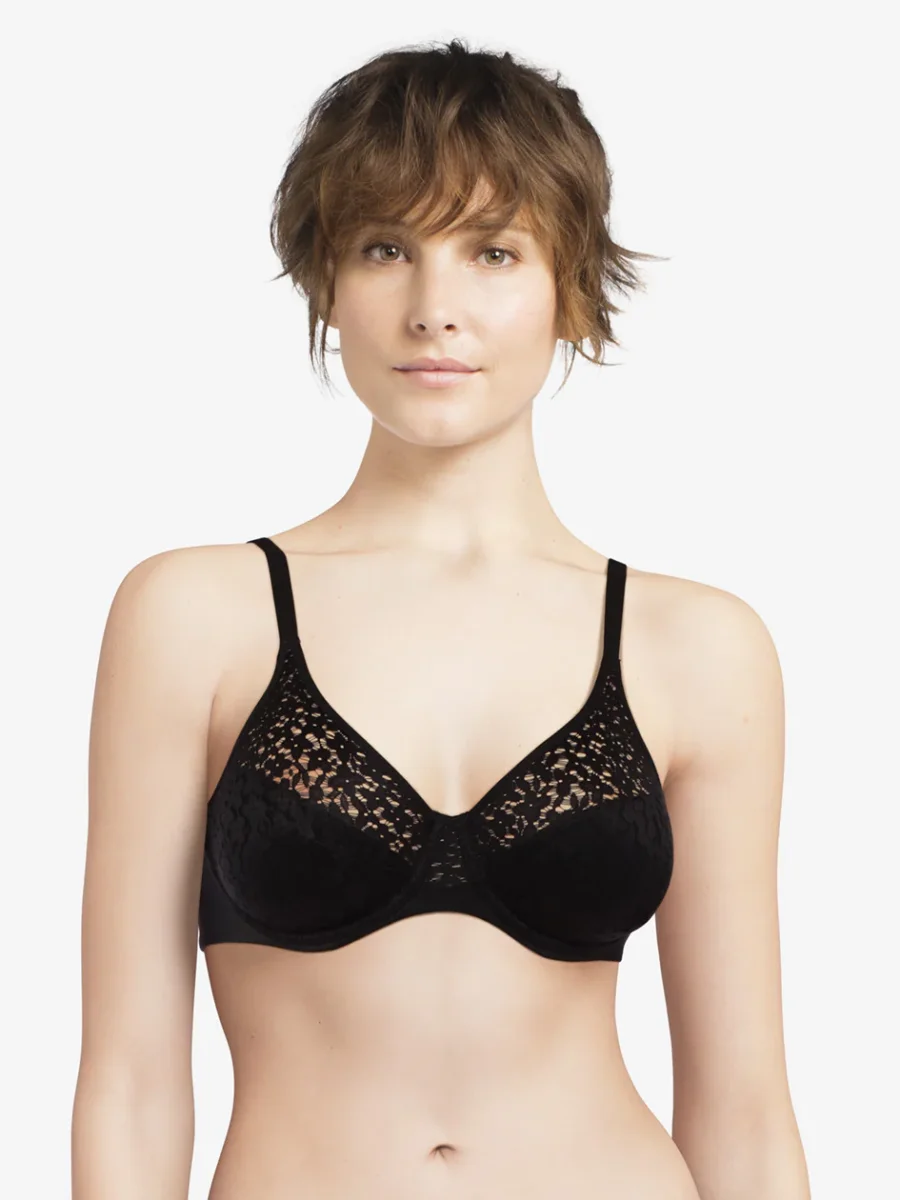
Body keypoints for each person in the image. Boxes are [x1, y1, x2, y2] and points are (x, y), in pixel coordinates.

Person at [72, 37, 810, 1200]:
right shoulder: (196, 617)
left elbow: (746, 1111)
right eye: (385, 249)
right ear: (327, 282)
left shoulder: (699, 648)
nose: (435, 310)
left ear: (571, 289)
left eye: (493, 252)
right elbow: (128, 1082)